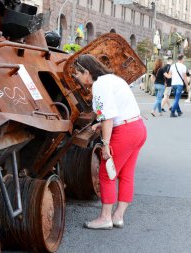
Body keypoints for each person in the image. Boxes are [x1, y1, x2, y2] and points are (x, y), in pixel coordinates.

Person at [72, 54, 147, 230]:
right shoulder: (113, 79)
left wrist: (105, 144)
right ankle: (118, 216)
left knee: (106, 173)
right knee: (126, 174)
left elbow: (108, 117)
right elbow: (116, 110)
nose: (77, 78)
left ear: (87, 72)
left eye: (77, 73)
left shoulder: (99, 86)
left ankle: (105, 218)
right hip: (138, 128)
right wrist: (101, 124)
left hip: (125, 133)